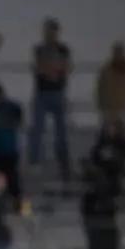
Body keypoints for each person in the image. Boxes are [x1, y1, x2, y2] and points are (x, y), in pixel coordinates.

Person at [28, 18, 72, 179]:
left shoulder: (63, 49)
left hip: (58, 93)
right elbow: (38, 68)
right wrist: (51, 70)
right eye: (47, 31)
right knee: (37, 129)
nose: (49, 34)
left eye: (51, 31)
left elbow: (65, 68)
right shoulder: (39, 49)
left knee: (61, 131)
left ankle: (63, 163)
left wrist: (52, 71)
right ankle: (34, 162)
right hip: (42, 93)